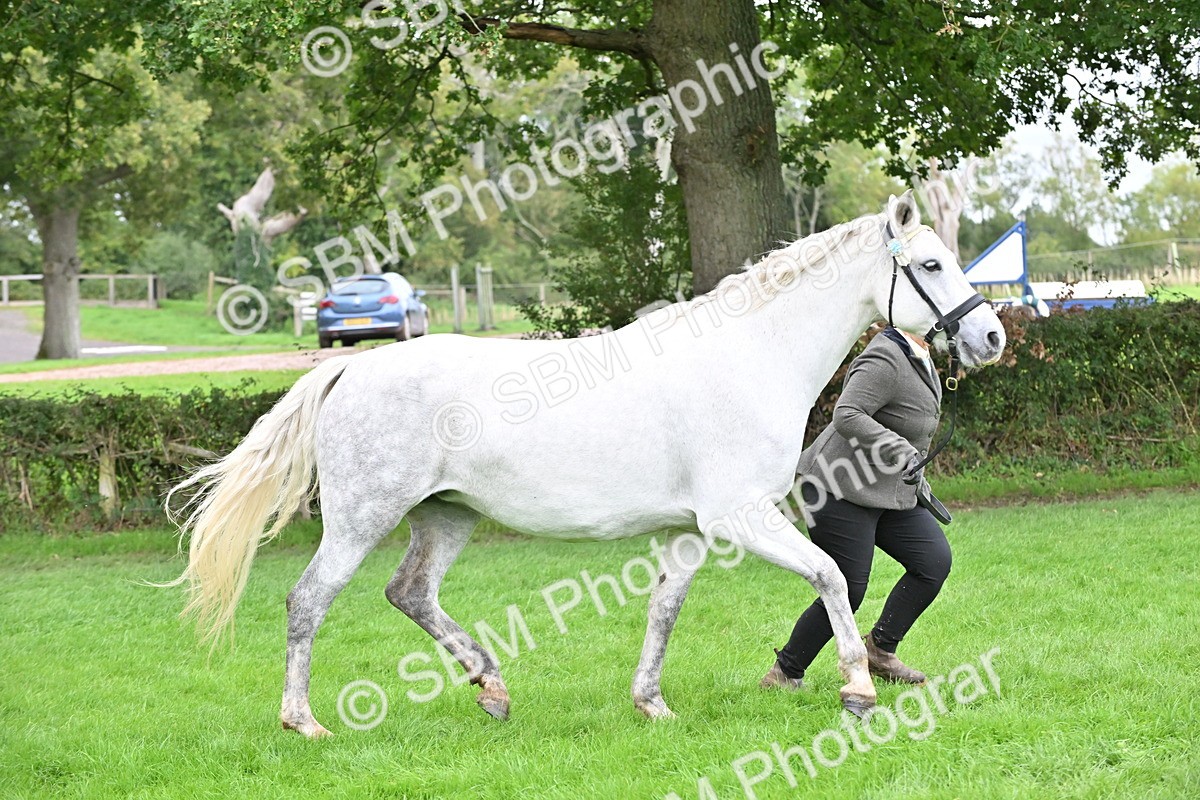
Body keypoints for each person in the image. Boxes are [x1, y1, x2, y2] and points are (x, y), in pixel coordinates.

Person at [761, 325, 951, 689]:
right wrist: (899, 450)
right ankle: (785, 672)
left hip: (890, 491)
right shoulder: (886, 356)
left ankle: (880, 650)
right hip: (837, 488)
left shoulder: (920, 354)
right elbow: (847, 412)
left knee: (932, 561)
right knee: (847, 588)